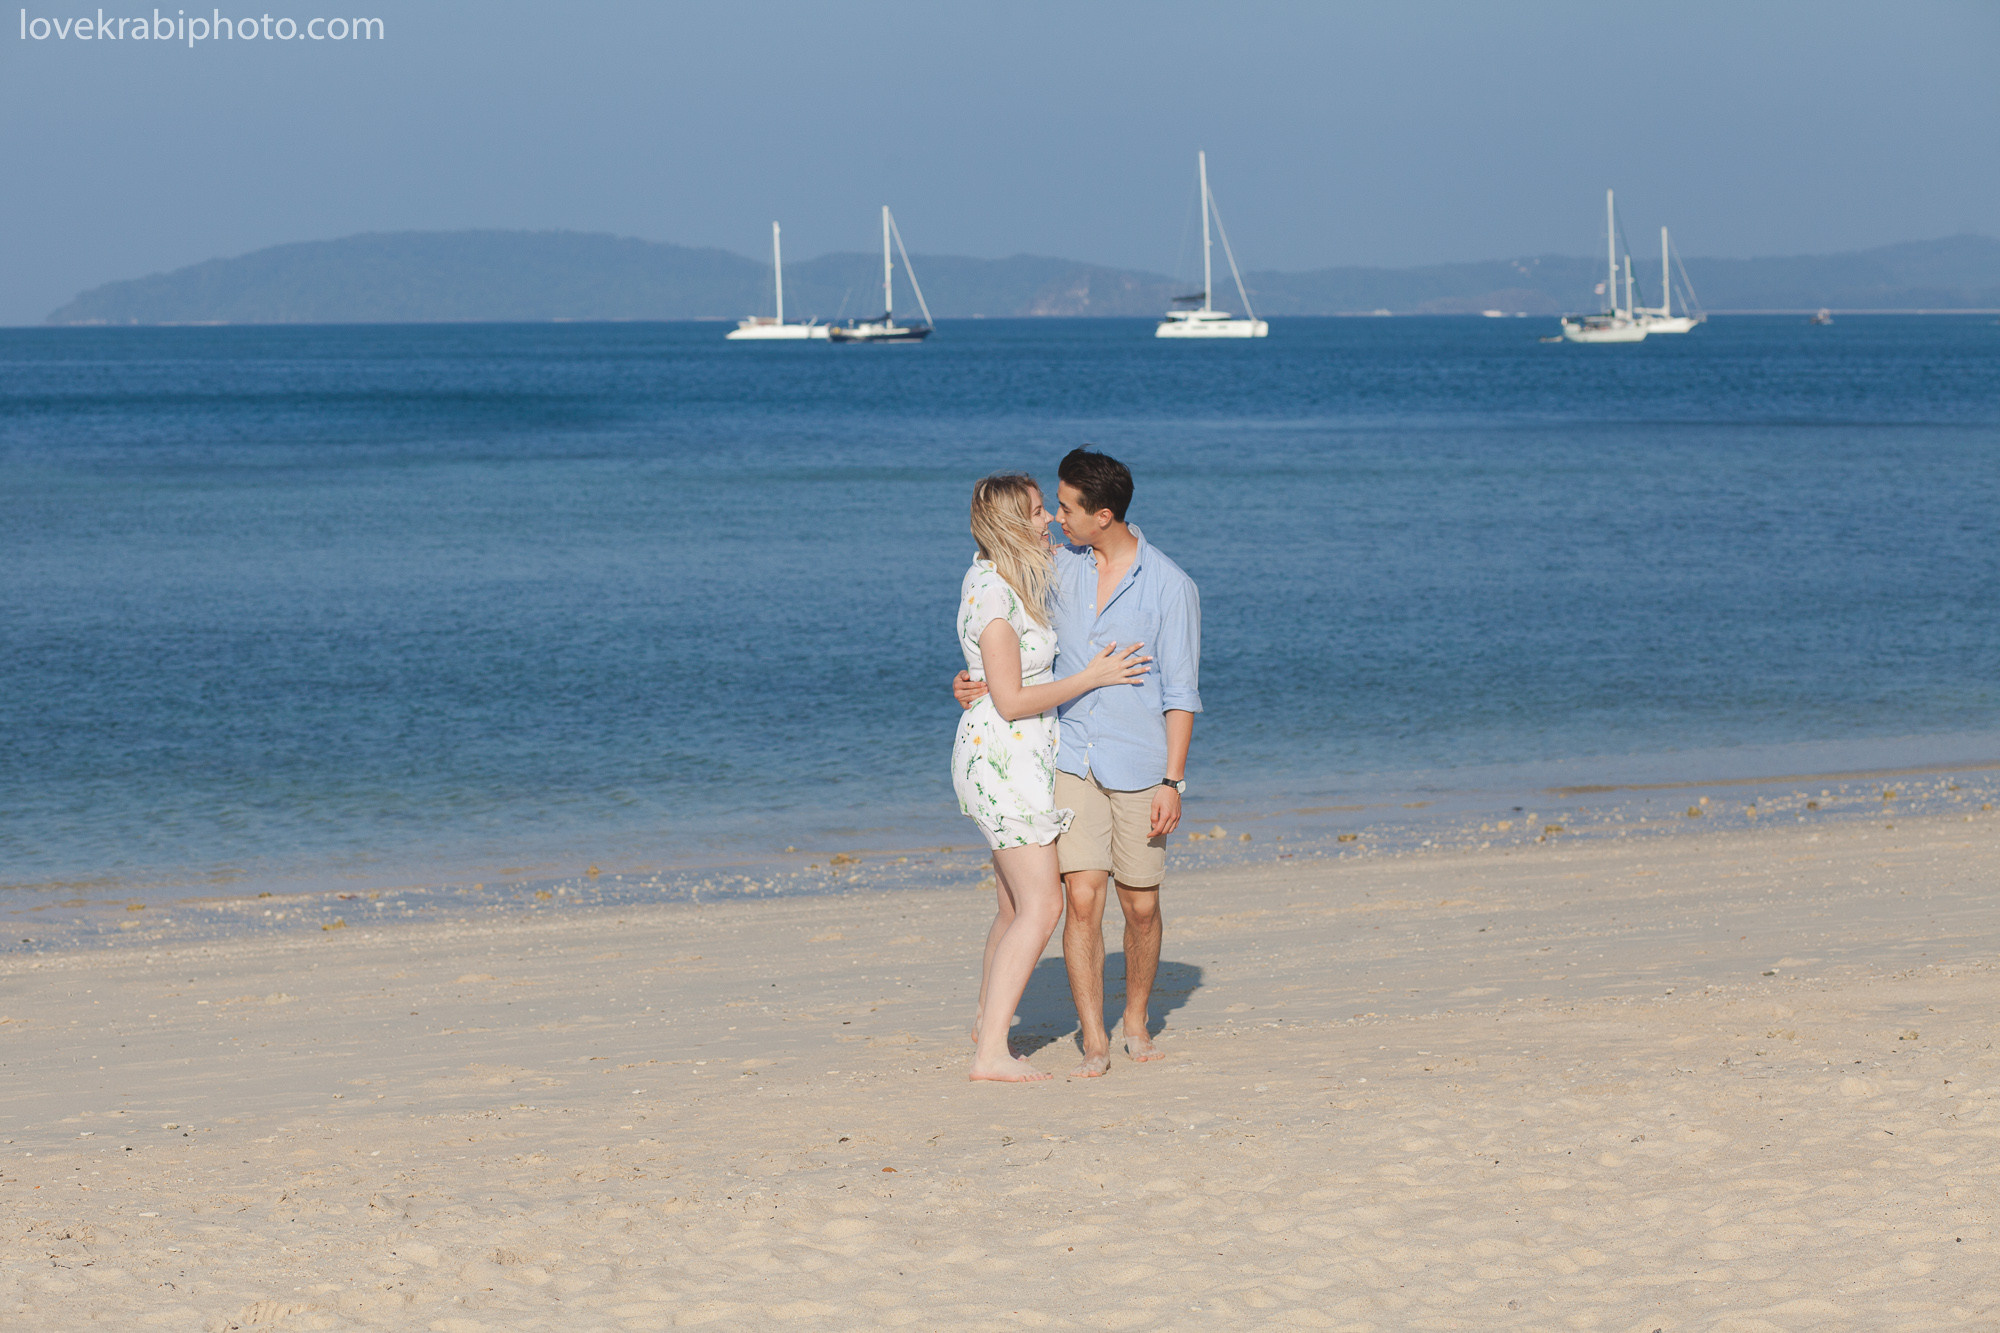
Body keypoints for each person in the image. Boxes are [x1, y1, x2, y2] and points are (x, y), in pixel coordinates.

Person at [956, 448, 1201, 1078]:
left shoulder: (1171, 586)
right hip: (1067, 759)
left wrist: (1174, 780)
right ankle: (1094, 1036)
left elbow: (1181, 694)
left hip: (1140, 764)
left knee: (1139, 903)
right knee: (1080, 900)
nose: (1057, 520)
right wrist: (975, 681)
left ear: (1104, 515)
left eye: (1065, 509)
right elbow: (1002, 633)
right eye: (1050, 508)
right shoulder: (1056, 568)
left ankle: (1137, 1021)